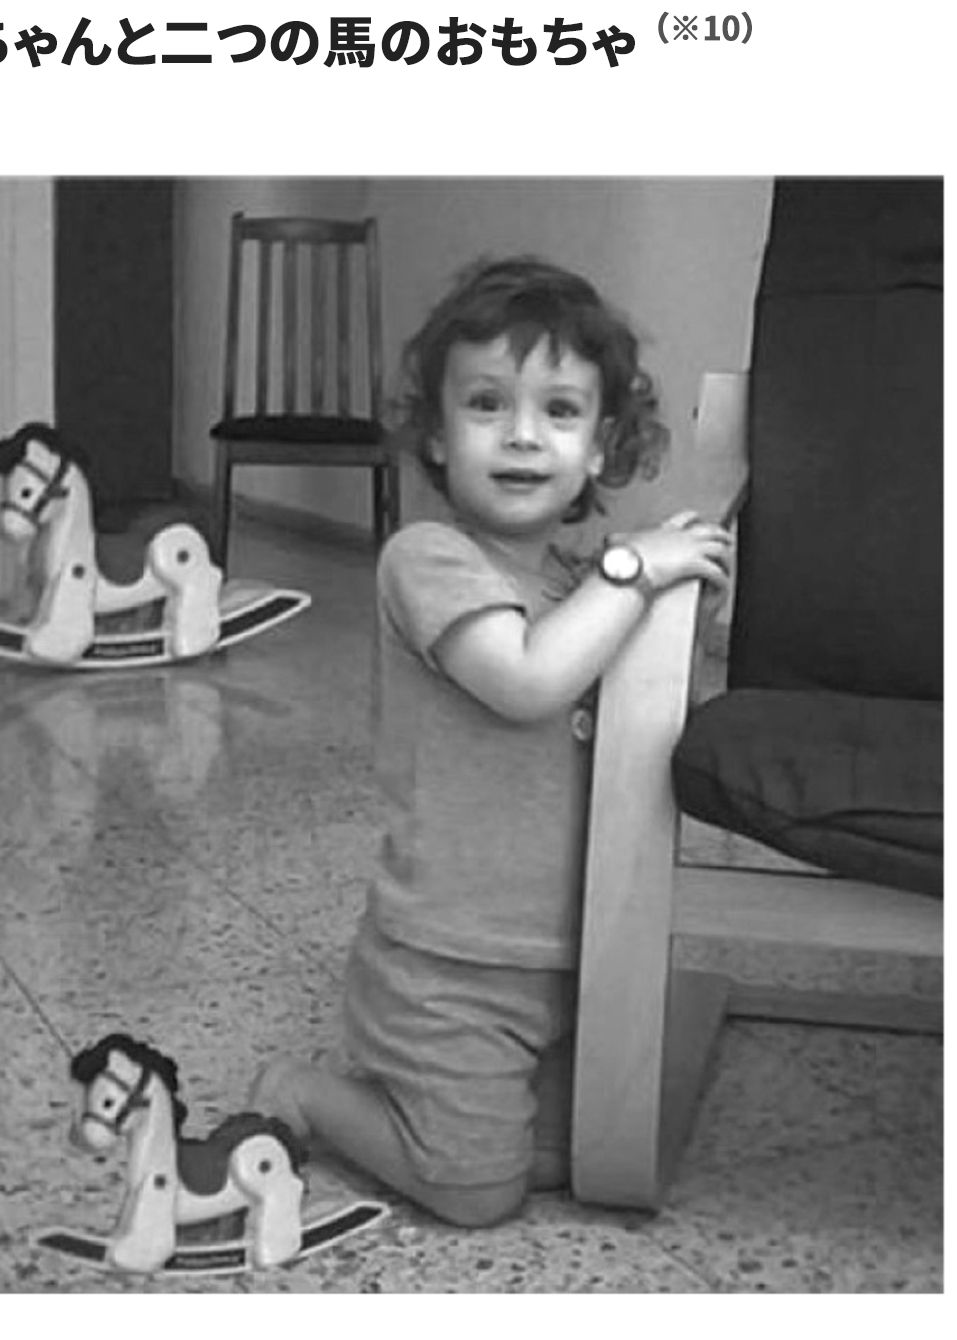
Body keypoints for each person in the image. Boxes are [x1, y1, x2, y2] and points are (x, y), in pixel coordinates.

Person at [250, 257, 733, 1227]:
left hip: (567, 954)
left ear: (600, 446)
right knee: (477, 1193)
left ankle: (445, 1108)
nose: (521, 434)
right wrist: (634, 573)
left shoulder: (573, 581)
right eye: (485, 403)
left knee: (573, 1156)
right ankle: (304, 1092)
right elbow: (525, 680)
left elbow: (650, 703)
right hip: (447, 965)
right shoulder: (427, 559)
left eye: (559, 410)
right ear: (435, 433)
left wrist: (679, 595)